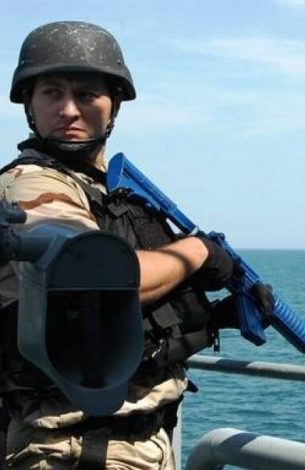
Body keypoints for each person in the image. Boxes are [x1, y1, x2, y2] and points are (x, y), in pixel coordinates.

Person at [0, 21, 245, 469]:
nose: (69, 110)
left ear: (113, 106)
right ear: (29, 105)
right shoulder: (32, 183)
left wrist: (209, 316)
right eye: (52, 93)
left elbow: (126, 308)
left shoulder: (103, 192)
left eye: (86, 95)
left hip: (135, 441)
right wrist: (197, 253)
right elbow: (89, 278)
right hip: (74, 448)